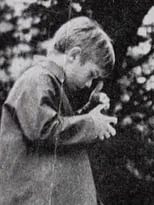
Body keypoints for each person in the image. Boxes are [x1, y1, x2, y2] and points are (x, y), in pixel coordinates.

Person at [0, 16, 117, 205]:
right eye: (91, 74)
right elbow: (45, 130)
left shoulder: (51, 84)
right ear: (73, 55)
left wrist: (90, 110)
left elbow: (61, 131)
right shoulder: (36, 79)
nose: (89, 84)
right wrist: (91, 123)